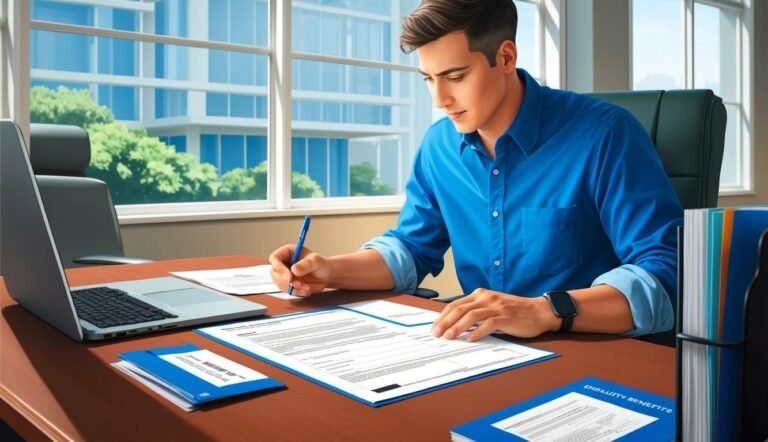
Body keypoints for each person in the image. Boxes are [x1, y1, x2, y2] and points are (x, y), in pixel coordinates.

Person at [270, 0, 683, 342]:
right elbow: (411, 250)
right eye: (429, 79)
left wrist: (543, 310)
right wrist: (329, 269)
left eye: (455, 76)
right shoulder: (438, 146)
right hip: (483, 350)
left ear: (505, 57)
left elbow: (667, 273)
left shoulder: (605, 135)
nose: (440, 99)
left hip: (592, 354)